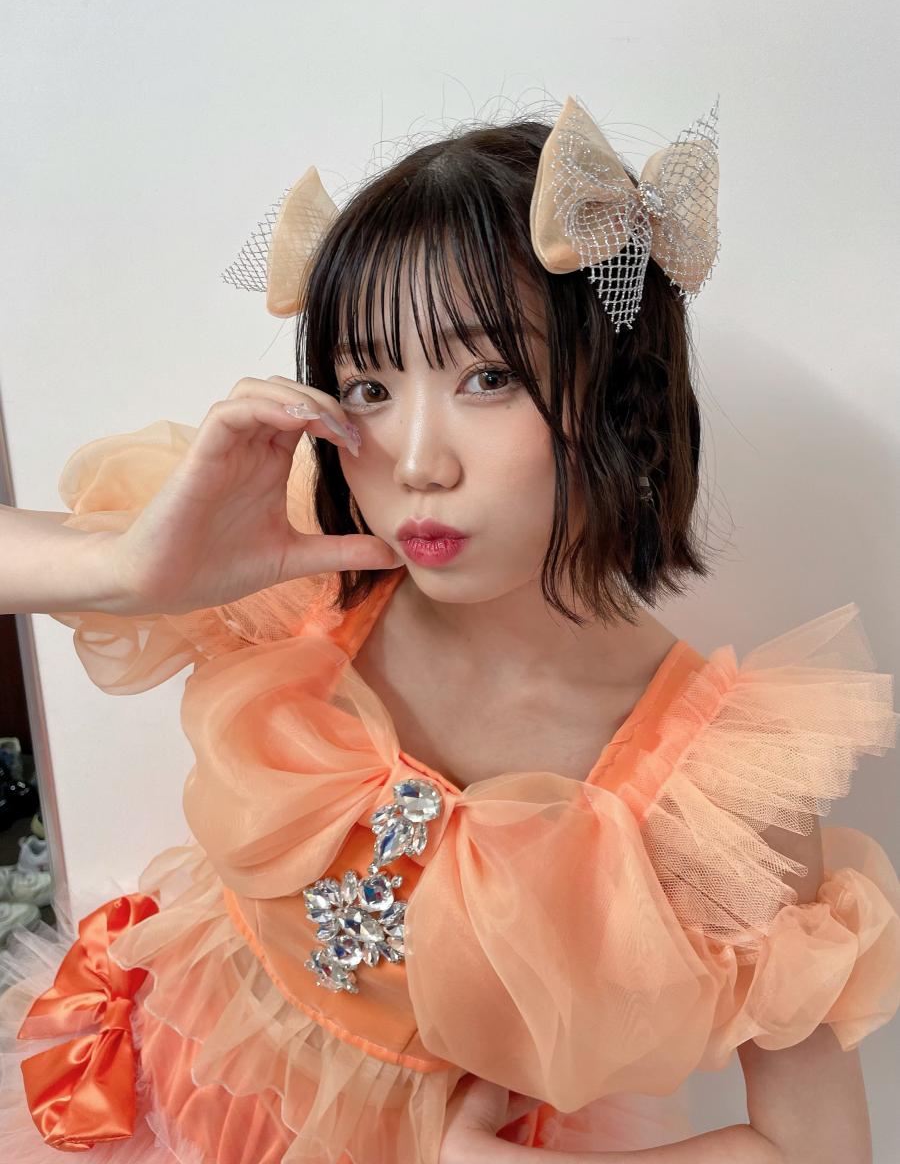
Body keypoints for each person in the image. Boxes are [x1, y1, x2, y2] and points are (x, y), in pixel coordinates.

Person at [0, 95, 898, 1164]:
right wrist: (127, 567)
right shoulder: (297, 580)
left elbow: (818, 1145)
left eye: (488, 377)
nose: (418, 461)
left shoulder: (712, 788)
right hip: (156, 1092)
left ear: (618, 397)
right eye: (368, 386)